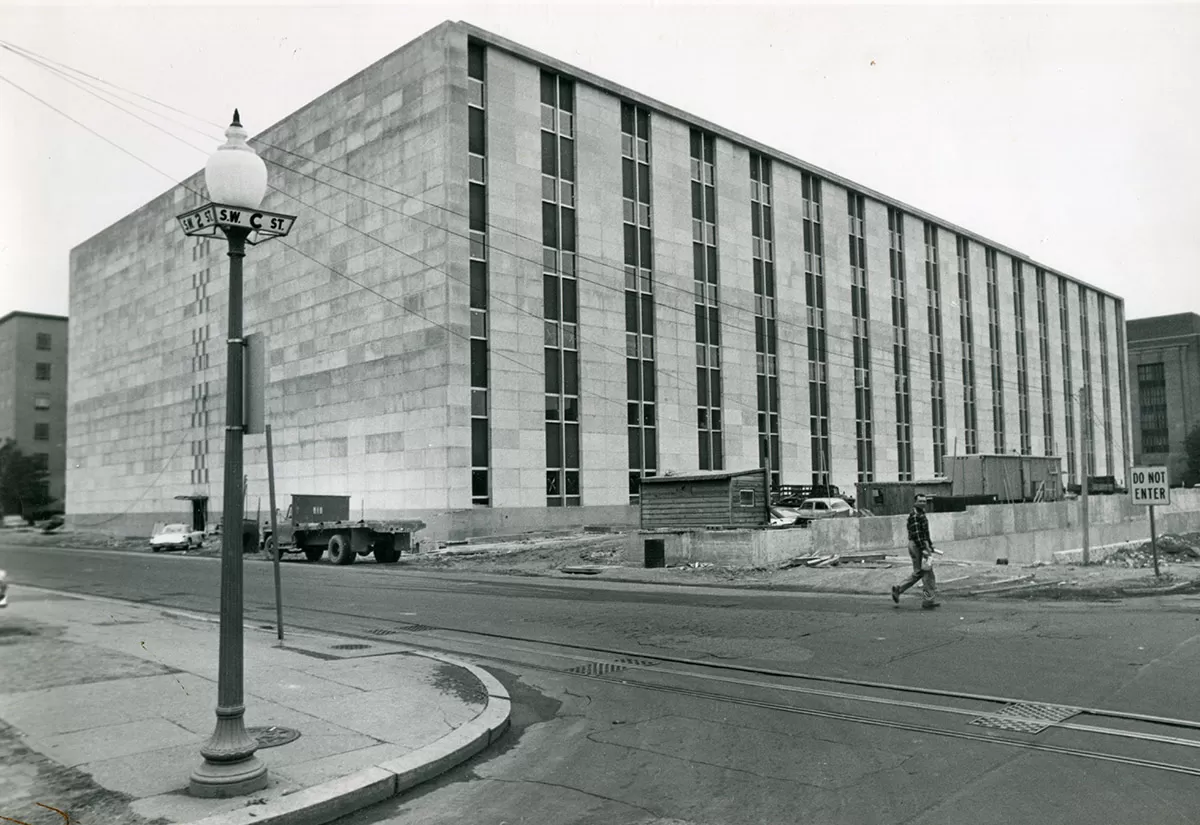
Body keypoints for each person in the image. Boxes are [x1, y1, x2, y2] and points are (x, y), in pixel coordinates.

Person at [892, 494, 939, 609]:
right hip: (918, 545)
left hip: (921, 545)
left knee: (921, 572)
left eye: (924, 501)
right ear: (915, 502)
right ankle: (928, 601)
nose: (923, 503)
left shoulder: (921, 514)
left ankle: (899, 589)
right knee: (926, 573)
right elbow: (918, 535)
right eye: (920, 501)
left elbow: (924, 533)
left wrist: (929, 545)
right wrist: (924, 548)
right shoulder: (915, 515)